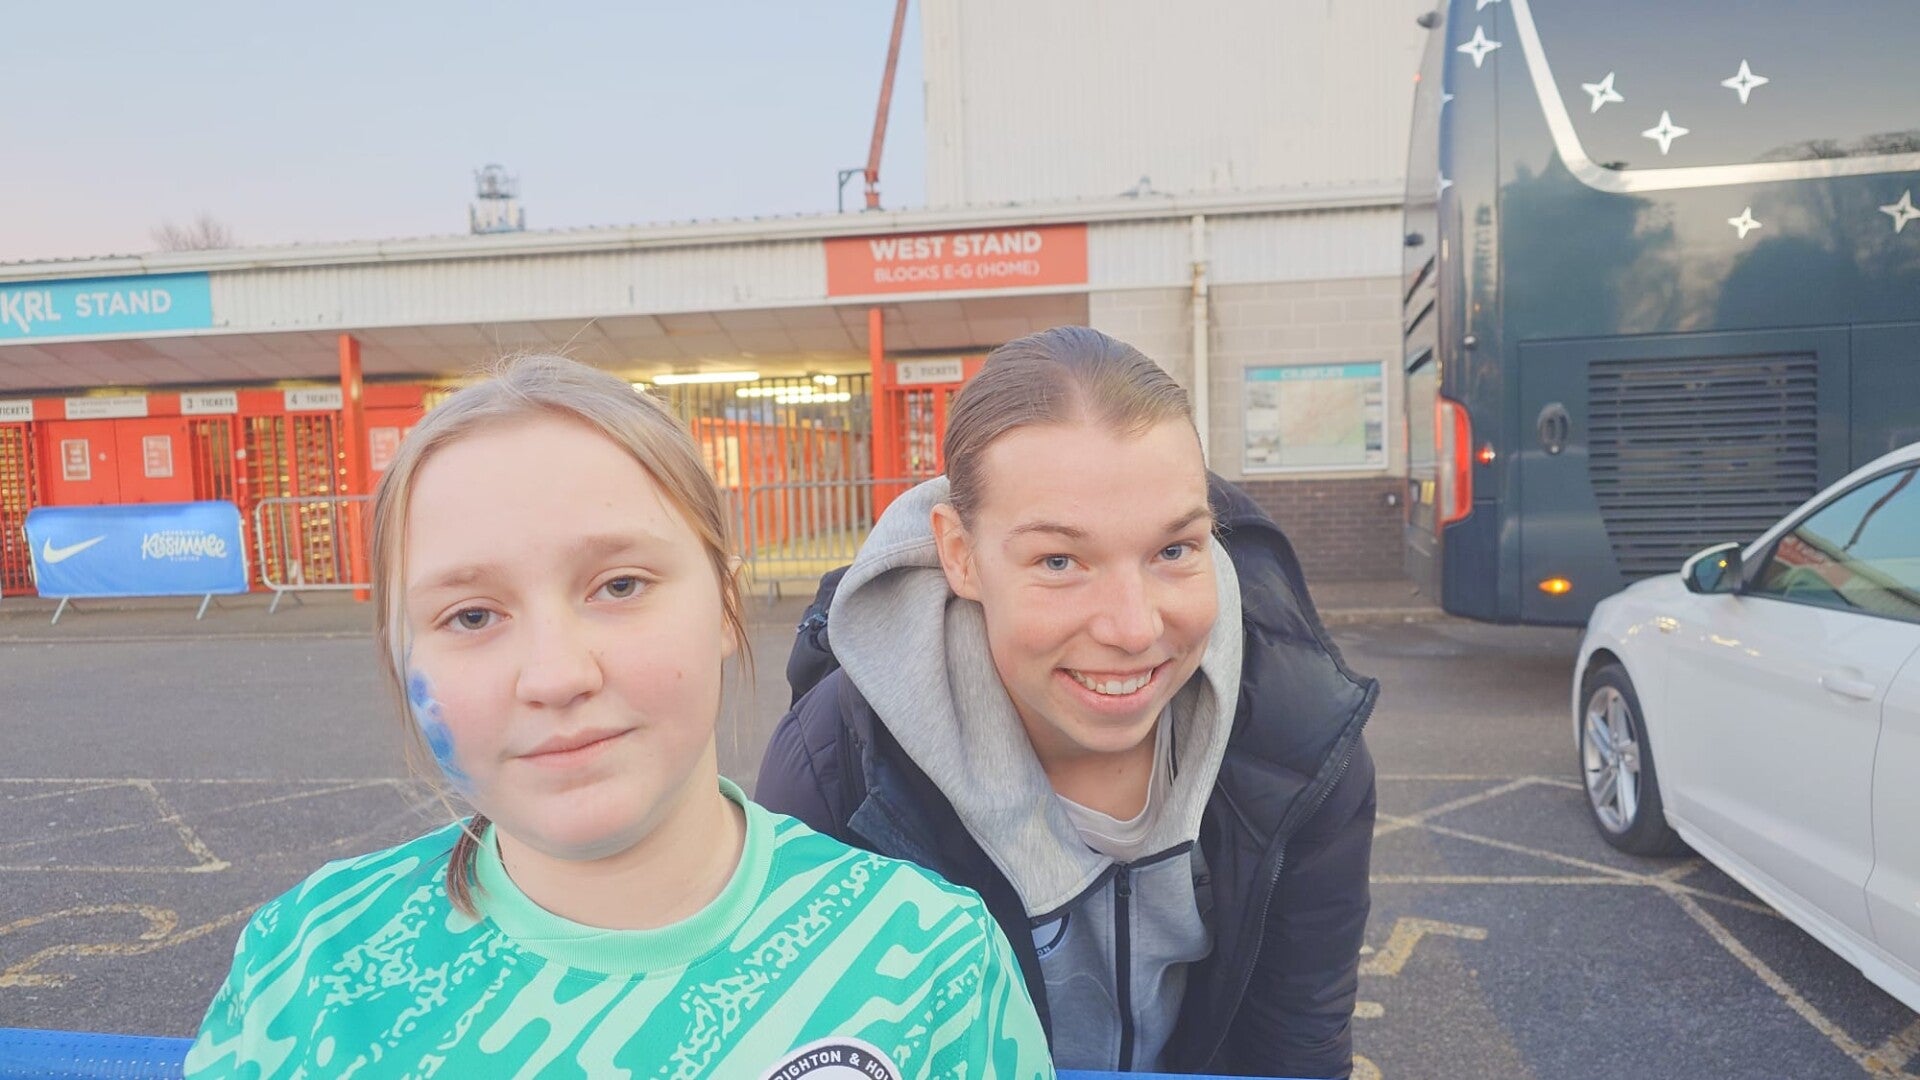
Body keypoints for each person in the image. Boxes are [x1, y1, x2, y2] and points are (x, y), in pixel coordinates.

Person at [187, 356, 1053, 1079]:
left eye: (620, 586)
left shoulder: (928, 956)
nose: (557, 675)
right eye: (472, 615)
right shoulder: (309, 968)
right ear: (401, 655)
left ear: (724, 607)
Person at [757, 327, 1378, 1077]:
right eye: (1058, 561)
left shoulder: (1300, 739)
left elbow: (1295, 1053)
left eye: (1174, 550)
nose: (1133, 628)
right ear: (959, 555)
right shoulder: (838, 767)